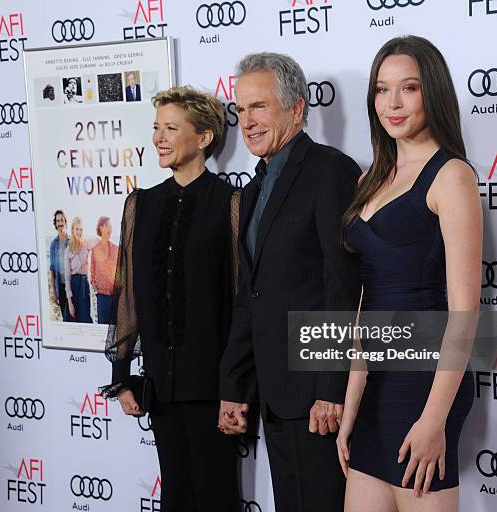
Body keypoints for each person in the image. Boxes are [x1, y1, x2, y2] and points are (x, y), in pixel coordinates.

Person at [336, 36, 481, 511]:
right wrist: (351, 405)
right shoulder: (369, 178)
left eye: (409, 88)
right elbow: (366, 305)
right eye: (381, 90)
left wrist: (434, 418)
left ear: (432, 92)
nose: (392, 104)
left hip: (426, 382)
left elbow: (464, 312)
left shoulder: (451, 176)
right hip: (375, 383)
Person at [218, 53, 362, 512]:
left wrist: (330, 388)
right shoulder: (255, 187)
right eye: (241, 110)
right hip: (274, 393)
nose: (248, 121)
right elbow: (251, 295)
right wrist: (234, 385)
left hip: (316, 397)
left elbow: (341, 284)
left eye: (259, 106)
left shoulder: (329, 171)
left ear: (297, 109)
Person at [101, 86, 240, 512]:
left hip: (214, 386)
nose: (159, 137)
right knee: (175, 497)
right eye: (156, 128)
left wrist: (237, 386)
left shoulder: (230, 202)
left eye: (171, 128)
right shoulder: (140, 205)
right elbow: (127, 294)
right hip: (159, 383)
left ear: (203, 138)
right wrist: (123, 373)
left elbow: (240, 301)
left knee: (216, 497)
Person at [64, 217, 95, 323]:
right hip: (73, 285)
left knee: (86, 319)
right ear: (72, 230)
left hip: (84, 285)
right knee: (72, 319)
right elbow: (67, 279)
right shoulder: (68, 250)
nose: (79, 232)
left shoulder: (87, 245)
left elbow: (99, 242)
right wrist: (69, 302)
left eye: (81, 229)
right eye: (77, 229)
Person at [90, 216, 119, 324]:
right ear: (101, 227)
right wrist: (94, 283)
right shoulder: (95, 249)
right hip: (102, 297)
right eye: (108, 226)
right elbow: (92, 270)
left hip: (115, 296)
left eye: (111, 226)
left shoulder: (117, 249)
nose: (110, 229)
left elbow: (121, 271)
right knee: (102, 328)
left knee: (115, 329)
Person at [49, 210, 71, 321]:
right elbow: (52, 270)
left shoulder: (72, 241)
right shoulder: (53, 244)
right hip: (61, 286)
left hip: (72, 285)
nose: (60, 223)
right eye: (58, 221)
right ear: (55, 224)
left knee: (75, 316)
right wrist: (54, 292)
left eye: (62, 220)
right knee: (65, 318)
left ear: (65, 222)